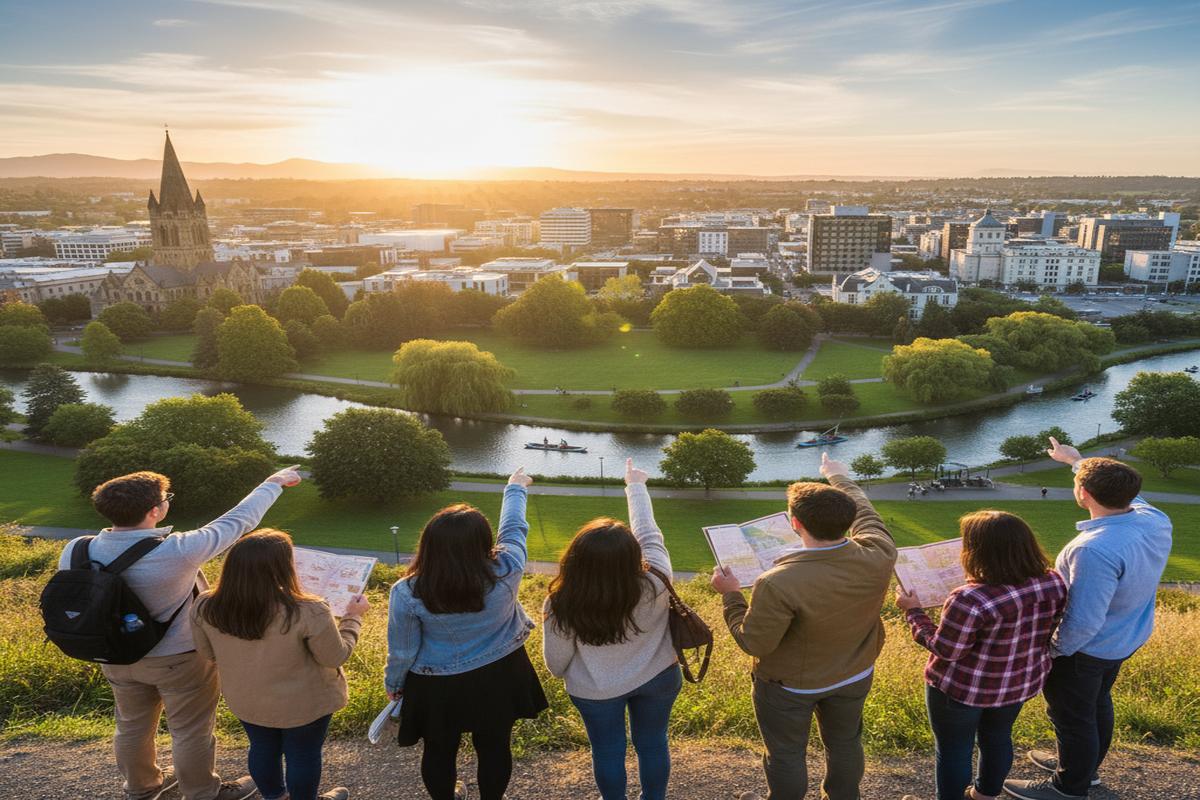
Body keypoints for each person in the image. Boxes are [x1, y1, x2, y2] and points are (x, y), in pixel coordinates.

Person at [56, 465, 303, 800]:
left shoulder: (76, 549)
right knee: (190, 731)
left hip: (113, 654)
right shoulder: (178, 549)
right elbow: (239, 521)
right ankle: (202, 792)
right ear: (156, 510)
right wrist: (272, 483)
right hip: (180, 658)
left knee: (131, 724)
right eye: (165, 498)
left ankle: (142, 788)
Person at [711, 452, 897, 800]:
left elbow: (755, 643)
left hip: (789, 687)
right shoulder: (880, 552)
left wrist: (731, 596)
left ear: (794, 524)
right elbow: (867, 511)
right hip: (855, 672)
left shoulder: (777, 581)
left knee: (785, 753)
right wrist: (837, 476)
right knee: (845, 743)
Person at [1004, 439, 1172, 800]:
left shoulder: (1093, 549)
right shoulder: (1153, 519)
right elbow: (1119, 492)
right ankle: (1082, 766)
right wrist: (1075, 460)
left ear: (1083, 494)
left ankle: (1070, 786)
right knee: (1096, 704)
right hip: (1124, 637)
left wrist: (1053, 650)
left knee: (1073, 718)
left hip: (1086, 649)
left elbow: (1082, 620)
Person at [385, 467, 548, 800]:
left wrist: (395, 684)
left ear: (428, 544)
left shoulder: (408, 591)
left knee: (439, 749)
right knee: (494, 745)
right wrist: (514, 487)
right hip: (501, 673)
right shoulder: (508, 568)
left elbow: (402, 650)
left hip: (438, 684)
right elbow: (514, 528)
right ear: (484, 543)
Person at [895, 511, 1067, 800]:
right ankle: (985, 795)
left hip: (962, 689)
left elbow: (946, 650)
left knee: (953, 750)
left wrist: (913, 611)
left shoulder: (970, 598)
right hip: (1018, 683)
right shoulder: (1052, 581)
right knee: (997, 738)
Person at [191, 530, 366, 800]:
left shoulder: (206, 604)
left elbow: (207, 652)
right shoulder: (308, 609)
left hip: (247, 699)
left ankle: (274, 796)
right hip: (304, 702)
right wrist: (353, 619)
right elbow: (335, 657)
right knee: (303, 753)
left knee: (261, 747)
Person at [542, 458, 681, 800]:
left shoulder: (561, 603)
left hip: (596, 688)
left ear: (576, 559)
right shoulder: (656, 580)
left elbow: (556, 665)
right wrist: (635, 485)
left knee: (607, 751)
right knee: (652, 744)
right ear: (634, 555)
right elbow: (649, 530)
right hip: (659, 676)